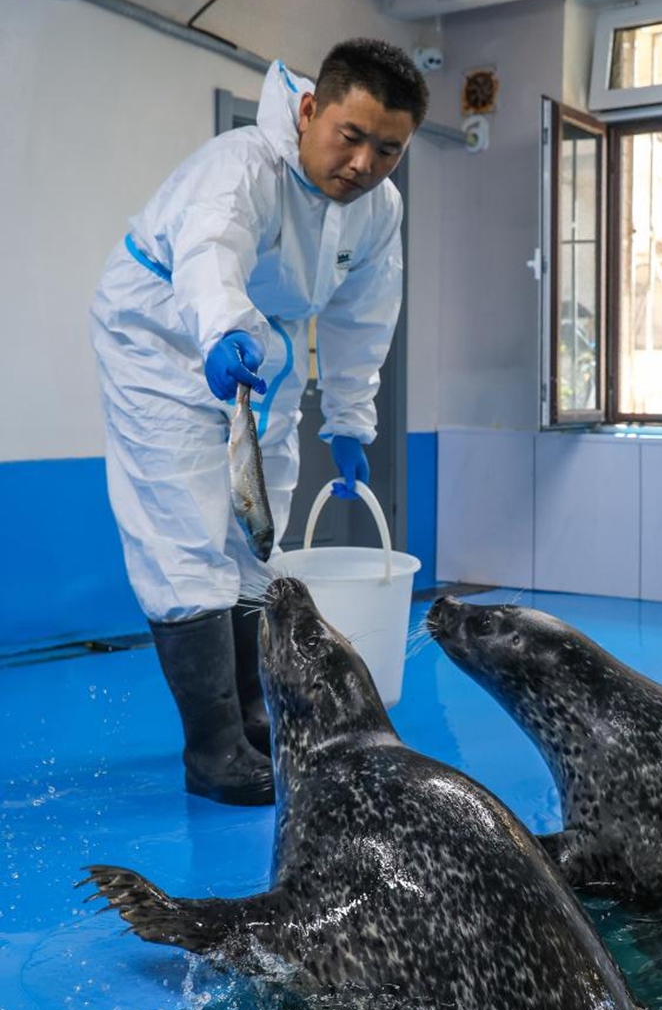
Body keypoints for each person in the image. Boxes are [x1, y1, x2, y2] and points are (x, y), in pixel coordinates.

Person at [90, 40, 428, 805]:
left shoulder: (378, 210)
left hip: (267, 351)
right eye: (352, 135)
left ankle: (251, 717)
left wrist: (349, 420)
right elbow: (208, 254)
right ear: (310, 111)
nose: (365, 163)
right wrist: (219, 333)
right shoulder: (240, 166)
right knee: (183, 528)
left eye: (388, 149)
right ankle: (211, 750)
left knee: (256, 536)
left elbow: (363, 319)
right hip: (166, 338)